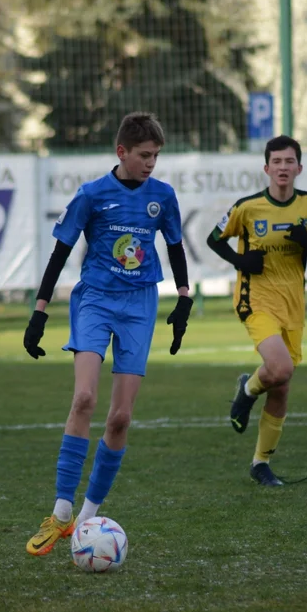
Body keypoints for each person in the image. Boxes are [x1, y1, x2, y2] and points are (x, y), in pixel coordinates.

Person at [22, 111, 193, 556]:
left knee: (119, 419)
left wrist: (184, 298)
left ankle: (85, 520)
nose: (151, 163)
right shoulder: (92, 195)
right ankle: (60, 513)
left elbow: (174, 246)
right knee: (84, 400)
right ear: (122, 152)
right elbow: (59, 254)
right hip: (95, 300)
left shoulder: (163, 197)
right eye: (144, 155)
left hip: (140, 305)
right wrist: (38, 313)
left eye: (155, 156)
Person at [206, 135, 307, 486]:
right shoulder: (247, 208)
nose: (283, 168)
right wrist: (240, 260)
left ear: (299, 168)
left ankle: (260, 463)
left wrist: (305, 240)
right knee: (280, 367)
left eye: (289, 162)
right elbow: (214, 239)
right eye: (277, 162)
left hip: (293, 304)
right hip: (255, 300)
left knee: (282, 384)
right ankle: (246, 392)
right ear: (266, 168)